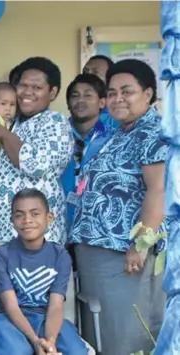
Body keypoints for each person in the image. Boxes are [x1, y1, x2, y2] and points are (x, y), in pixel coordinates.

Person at [70, 59, 168, 354]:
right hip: (97, 250)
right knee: (103, 330)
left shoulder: (153, 132)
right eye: (111, 93)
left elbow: (159, 189)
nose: (117, 99)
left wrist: (140, 244)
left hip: (123, 253)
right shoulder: (120, 132)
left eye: (127, 92)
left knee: (126, 331)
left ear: (148, 93)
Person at [0, 57, 73, 249]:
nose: (27, 92)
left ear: (52, 92)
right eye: (22, 86)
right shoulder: (9, 121)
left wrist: (2, 132)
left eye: (36, 88)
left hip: (35, 242)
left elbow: (34, 164)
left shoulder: (55, 122)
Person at [0, 189, 86, 355]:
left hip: (46, 317)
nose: (27, 220)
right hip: (12, 320)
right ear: (12, 220)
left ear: (49, 218)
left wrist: (50, 342)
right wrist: (34, 340)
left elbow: (55, 305)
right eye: (19, 215)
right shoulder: (0, 255)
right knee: (19, 351)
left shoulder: (60, 255)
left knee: (76, 351)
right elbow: (11, 306)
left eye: (35, 214)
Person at [60, 74, 114, 230]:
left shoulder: (114, 138)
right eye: (75, 96)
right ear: (68, 103)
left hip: (98, 229)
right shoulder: (56, 135)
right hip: (57, 225)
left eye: (88, 95)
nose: (80, 100)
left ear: (102, 102)